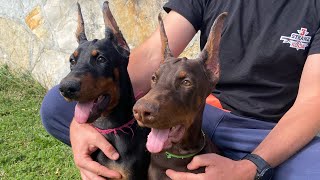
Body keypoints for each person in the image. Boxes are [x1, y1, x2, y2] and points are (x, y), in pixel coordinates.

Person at [40, 0, 320, 179]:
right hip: (199, 109)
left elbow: (312, 101)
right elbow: (151, 57)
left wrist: (249, 168)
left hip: (264, 130)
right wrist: (85, 119)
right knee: (56, 106)